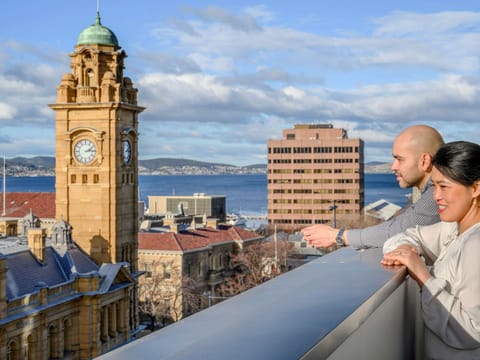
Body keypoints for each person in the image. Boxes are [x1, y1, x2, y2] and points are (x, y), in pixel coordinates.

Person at [382, 141, 480, 358]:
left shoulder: (475, 244)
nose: (436, 196)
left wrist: (422, 275)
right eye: (434, 186)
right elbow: (406, 236)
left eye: (444, 186)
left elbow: (471, 332)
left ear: (475, 188)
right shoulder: (454, 229)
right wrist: (407, 250)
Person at [301, 124, 444, 249]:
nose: (393, 167)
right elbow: (399, 223)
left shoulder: (439, 195)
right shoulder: (433, 192)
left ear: (425, 161)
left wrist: (338, 236)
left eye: (400, 159)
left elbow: (399, 231)